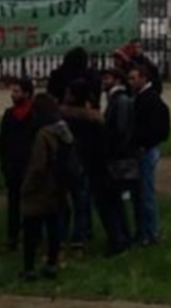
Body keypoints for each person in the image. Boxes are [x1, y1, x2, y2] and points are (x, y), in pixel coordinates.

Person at [18, 94, 75, 280]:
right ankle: (52, 263)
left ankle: (29, 268)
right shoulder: (63, 132)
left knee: (31, 229)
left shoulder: (43, 135)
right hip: (58, 186)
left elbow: (38, 165)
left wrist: (27, 186)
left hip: (41, 188)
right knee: (53, 227)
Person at [98, 68, 138, 254]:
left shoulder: (120, 100)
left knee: (113, 199)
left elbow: (121, 130)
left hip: (117, 157)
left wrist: (111, 150)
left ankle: (120, 239)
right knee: (117, 200)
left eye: (107, 78)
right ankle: (124, 236)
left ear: (116, 80)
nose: (103, 82)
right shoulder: (116, 99)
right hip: (117, 155)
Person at [61, 78, 105, 249]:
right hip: (86, 161)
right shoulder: (93, 118)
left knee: (68, 200)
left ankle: (67, 233)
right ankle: (82, 233)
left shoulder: (63, 117)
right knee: (82, 200)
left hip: (68, 161)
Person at [130, 63, 170, 246]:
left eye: (134, 78)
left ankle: (150, 232)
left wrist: (144, 144)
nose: (131, 82)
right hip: (145, 148)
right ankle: (144, 231)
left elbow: (159, 126)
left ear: (144, 78)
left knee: (146, 193)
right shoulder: (140, 97)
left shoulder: (149, 99)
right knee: (140, 193)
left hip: (146, 150)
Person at [0, 77, 38, 252]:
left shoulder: (35, 114)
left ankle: (32, 236)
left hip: (30, 165)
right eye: (12, 91)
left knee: (32, 203)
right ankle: (12, 236)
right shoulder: (9, 114)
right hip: (13, 165)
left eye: (16, 91)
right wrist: (4, 163)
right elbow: (3, 141)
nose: (12, 95)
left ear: (27, 94)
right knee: (13, 203)